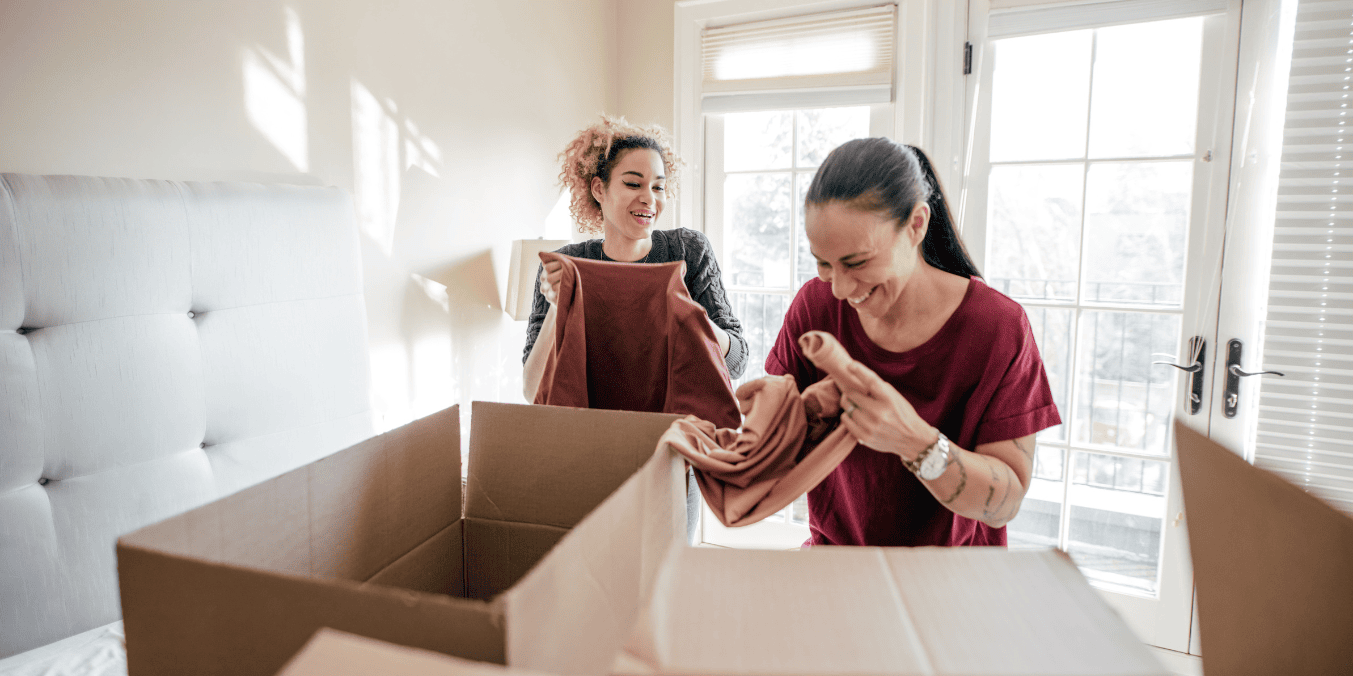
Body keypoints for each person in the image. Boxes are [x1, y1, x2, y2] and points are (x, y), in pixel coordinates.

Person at [765, 138, 1061, 547]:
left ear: (917, 225)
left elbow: (1005, 501)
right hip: (834, 565)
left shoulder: (998, 328)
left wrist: (913, 440)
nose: (839, 288)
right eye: (823, 263)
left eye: (857, 262)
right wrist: (801, 420)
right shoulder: (813, 307)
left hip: (951, 582)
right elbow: (773, 461)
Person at [522, 116, 748, 400]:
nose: (649, 199)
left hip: (673, 429)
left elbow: (737, 361)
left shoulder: (688, 250)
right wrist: (558, 307)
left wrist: (691, 316)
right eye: (633, 184)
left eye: (658, 187)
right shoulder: (565, 265)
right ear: (598, 189)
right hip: (592, 431)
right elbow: (532, 392)